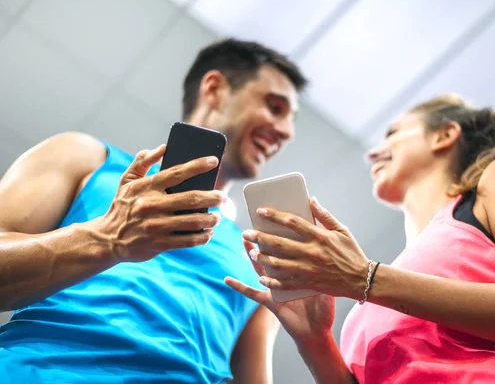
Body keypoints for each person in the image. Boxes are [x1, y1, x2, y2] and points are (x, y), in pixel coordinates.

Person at [0, 38, 307, 383]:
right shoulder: (84, 158)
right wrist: (108, 237)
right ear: (215, 89)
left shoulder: (258, 257)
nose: (286, 132)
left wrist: (313, 341)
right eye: (275, 107)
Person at [227, 94, 495, 383]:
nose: (372, 152)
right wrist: (315, 341)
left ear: (444, 135)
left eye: (393, 133)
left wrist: (365, 277)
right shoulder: (379, 292)